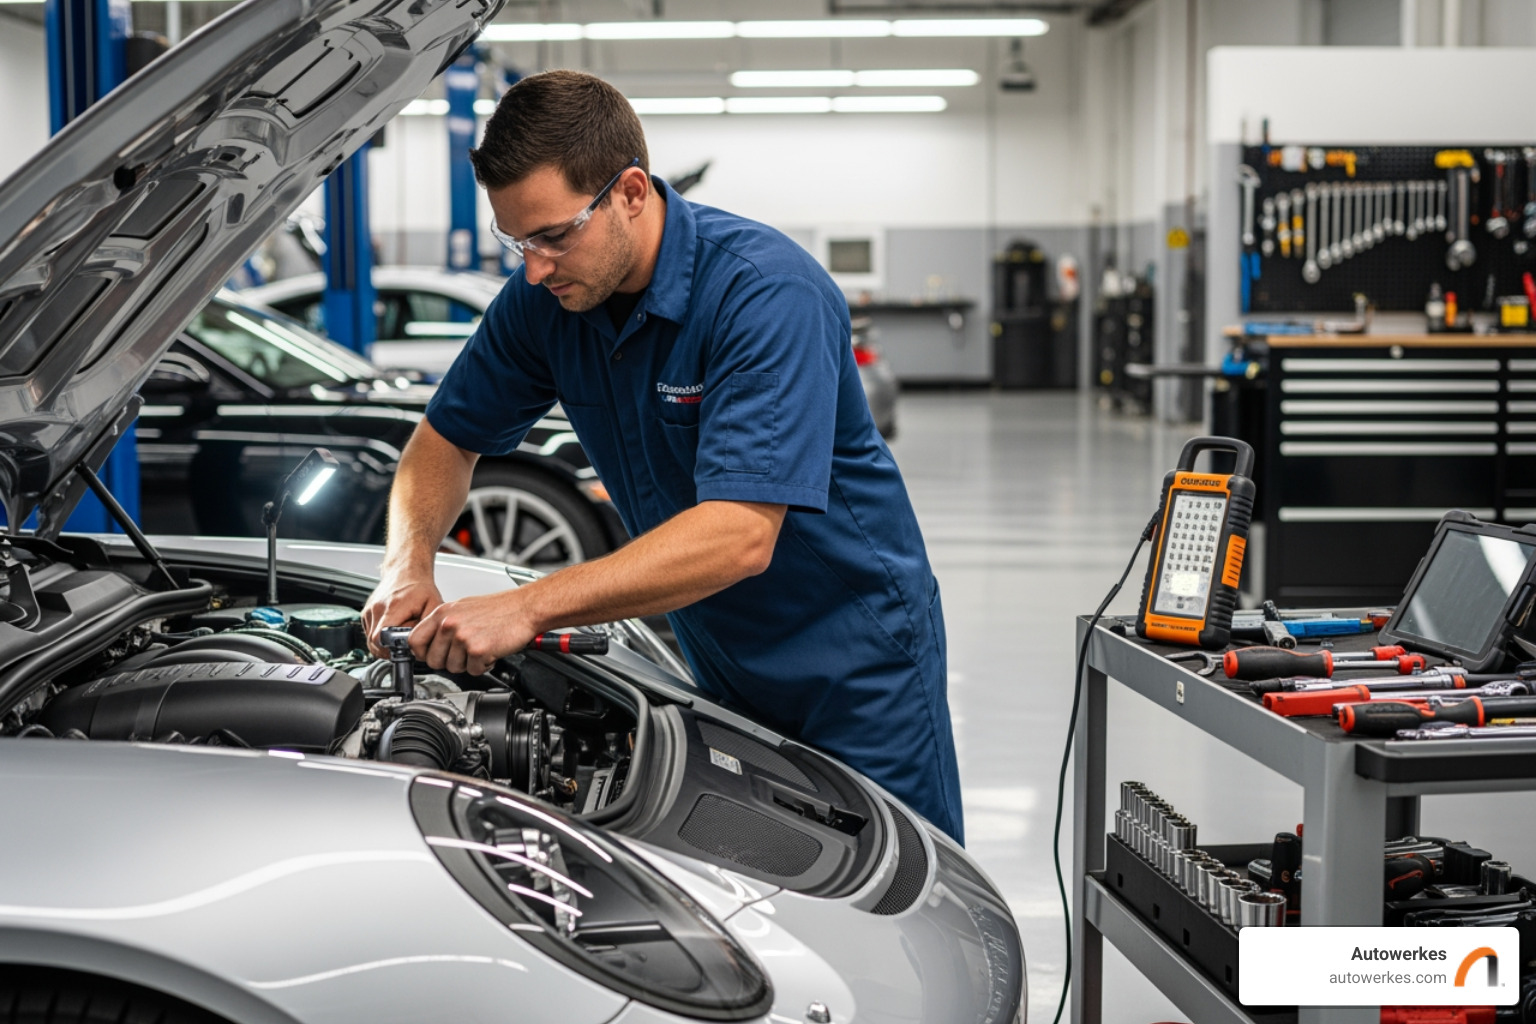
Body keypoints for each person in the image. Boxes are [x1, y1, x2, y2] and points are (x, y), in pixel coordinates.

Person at [361, 69, 964, 842]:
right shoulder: (545, 304)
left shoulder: (763, 293)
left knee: (902, 892)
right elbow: (445, 437)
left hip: (854, 670)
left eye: (553, 234)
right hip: (721, 658)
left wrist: (526, 605)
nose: (535, 266)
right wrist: (407, 562)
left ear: (632, 192)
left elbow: (741, 533)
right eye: (517, 241)